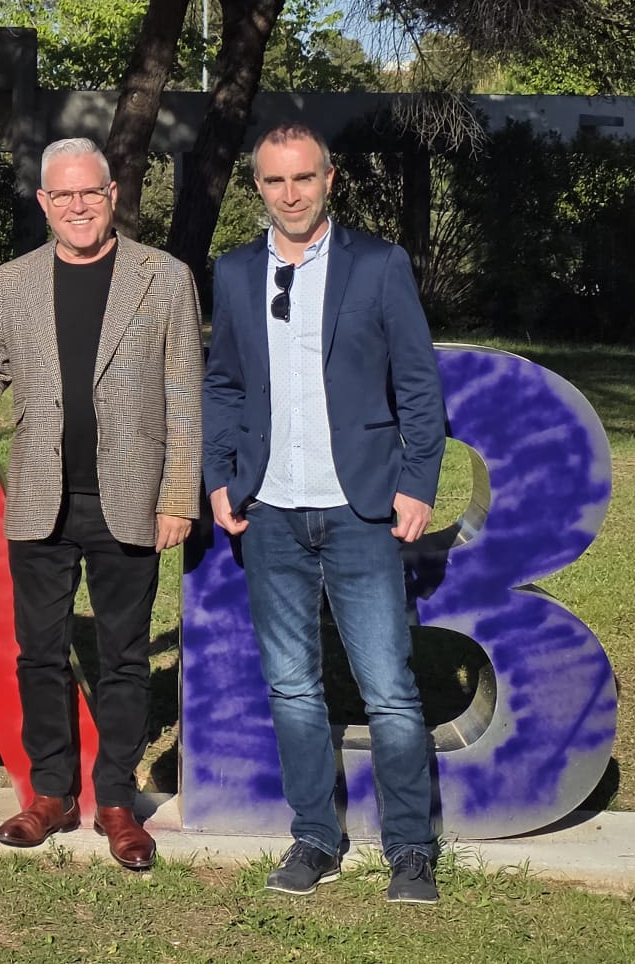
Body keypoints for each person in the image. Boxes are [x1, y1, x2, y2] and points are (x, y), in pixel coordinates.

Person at [0, 136, 202, 868]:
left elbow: (185, 394)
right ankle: (50, 794)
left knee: (125, 658)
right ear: (44, 202)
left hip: (131, 495)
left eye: (90, 192)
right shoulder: (16, 280)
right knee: (39, 655)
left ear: (113, 195)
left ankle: (117, 801)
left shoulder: (164, 277)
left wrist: (178, 496)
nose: (78, 206)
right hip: (41, 498)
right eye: (63, 195)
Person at [202, 123, 446, 904]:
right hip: (270, 507)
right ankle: (315, 837)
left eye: (303, 178)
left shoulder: (378, 265)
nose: (290, 194)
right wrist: (219, 477)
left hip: (360, 506)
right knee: (292, 687)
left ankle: (411, 849)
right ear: (258, 187)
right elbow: (224, 383)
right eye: (275, 181)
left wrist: (418, 480)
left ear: (330, 179)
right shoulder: (236, 272)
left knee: (389, 687)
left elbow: (418, 382)